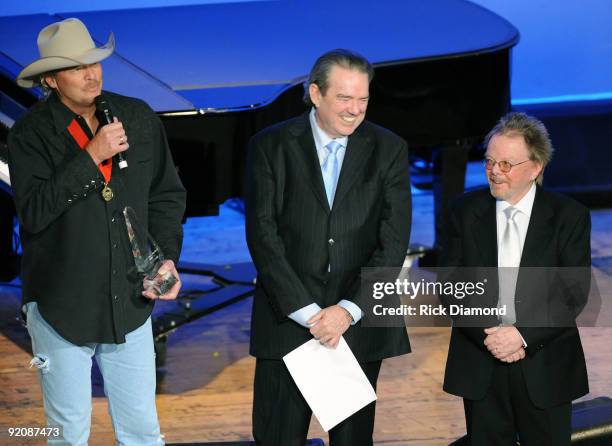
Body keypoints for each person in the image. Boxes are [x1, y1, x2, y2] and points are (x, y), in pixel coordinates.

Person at [8, 18, 186, 445]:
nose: (91, 74)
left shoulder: (137, 118)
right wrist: (91, 156)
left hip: (128, 301)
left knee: (143, 432)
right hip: (60, 305)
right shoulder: (30, 134)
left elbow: (166, 195)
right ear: (50, 79)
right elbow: (34, 212)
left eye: (94, 63)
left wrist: (165, 258)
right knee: (68, 434)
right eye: (75, 67)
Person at [245, 49, 411, 446]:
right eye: (344, 98)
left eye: (363, 99)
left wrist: (347, 311)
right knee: (278, 438)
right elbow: (263, 236)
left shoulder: (389, 149)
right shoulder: (271, 146)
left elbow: (393, 241)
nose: (355, 110)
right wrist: (309, 314)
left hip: (356, 322)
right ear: (315, 93)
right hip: (288, 321)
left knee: (353, 440)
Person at [441, 112, 590, 445]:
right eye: (490, 161)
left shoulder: (568, 216)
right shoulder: (463, 211)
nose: (495, 171)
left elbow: (573, 292)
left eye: (506, 164)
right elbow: (451, 287)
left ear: (535, 167)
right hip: (481, 363)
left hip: (545, 365)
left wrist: (520, 335)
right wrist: (493, 336)